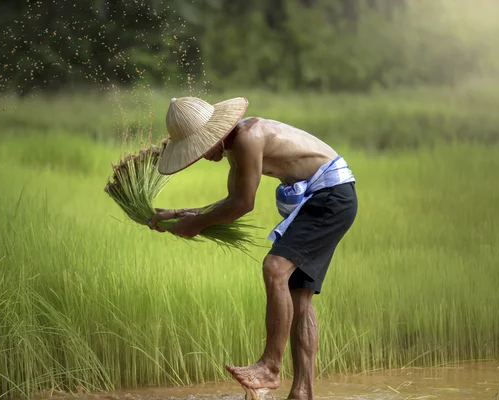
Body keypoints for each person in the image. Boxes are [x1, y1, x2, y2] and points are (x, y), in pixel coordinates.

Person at [148, 96, 358, 400]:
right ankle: (302, 393)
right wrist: (185, 214)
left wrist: (198, 225)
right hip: (329, 197)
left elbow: (244, 204)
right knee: (300, 298)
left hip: (330, 198)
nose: (200, 157)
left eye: (200, 148)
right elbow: (232, 200)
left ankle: (270, 367)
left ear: (215, 134)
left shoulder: (248, 138)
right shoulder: (237, 147)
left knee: (274, 268)